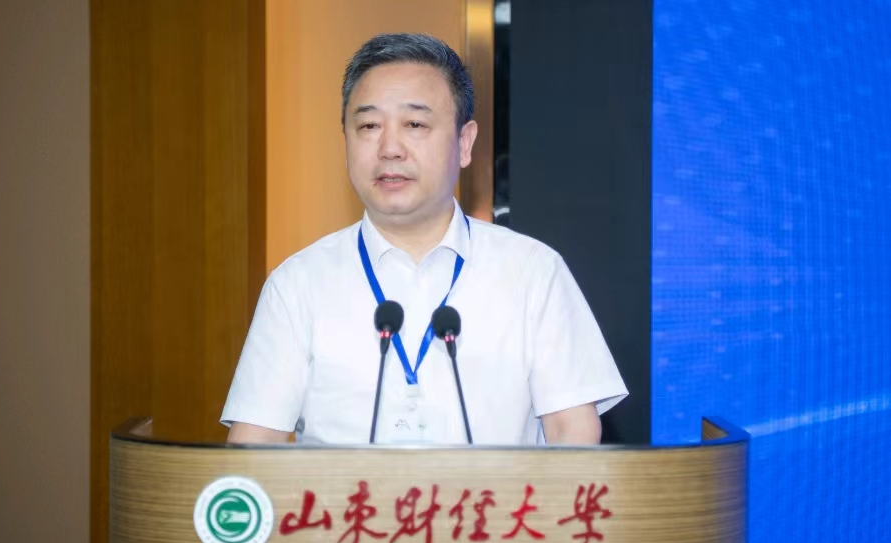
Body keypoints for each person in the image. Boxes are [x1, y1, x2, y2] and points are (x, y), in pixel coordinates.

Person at [222, 33, 625, 445]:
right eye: (369, 126)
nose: (389, 148)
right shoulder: (297, 284)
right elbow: (253, 446)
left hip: (494, 492)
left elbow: (572, 433)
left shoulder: (534, 272)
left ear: (464, 143)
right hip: (346, 493)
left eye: (414, 124)